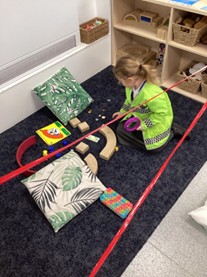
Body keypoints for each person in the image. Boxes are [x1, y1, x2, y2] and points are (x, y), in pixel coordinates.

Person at [112, 56, 186, 152]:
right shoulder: (130, 87)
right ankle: (168, 129)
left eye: (121, 81)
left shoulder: (152, 95)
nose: (120, 83)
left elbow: (161, 114)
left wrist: (144, 125)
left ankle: (171, 132)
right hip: (142, 116)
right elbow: (129, 101)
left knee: (154, 148)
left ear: (130, 80)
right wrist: (122, 112)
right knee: (120, 130)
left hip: (157, 120)